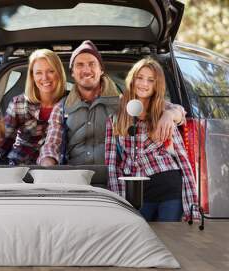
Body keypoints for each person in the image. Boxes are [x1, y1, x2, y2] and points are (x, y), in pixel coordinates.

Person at [38, 40, 185, 166]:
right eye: (80, 65)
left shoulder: (122, 102)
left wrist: (169, 114)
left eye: (91, 64)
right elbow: (52, 143)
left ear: (101, 69)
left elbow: (176, 109)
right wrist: (48, 163)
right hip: (76, 180)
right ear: (72, 73)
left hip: (114, 180)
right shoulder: (62, 107)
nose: (86, 69)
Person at [105, 57, 198, 221]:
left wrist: (193, 207)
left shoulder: (164, 115)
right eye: (140, 77)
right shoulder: (115, 120)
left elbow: (182, 159)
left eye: (151, 80)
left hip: (169, 187)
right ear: (132, 80)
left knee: (170, 240)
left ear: (157, 85)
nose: (144, 84)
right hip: (138, 193)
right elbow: (112, 165)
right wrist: (118, 203)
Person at [1, 49, 66, 165]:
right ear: (32, 76)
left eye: (50, 71)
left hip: (57, 168)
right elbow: (3, 140)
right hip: (20, 165)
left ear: (59, 73)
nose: (45, 77)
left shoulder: (71, 102)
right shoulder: (19, 103)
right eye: (39, 72)